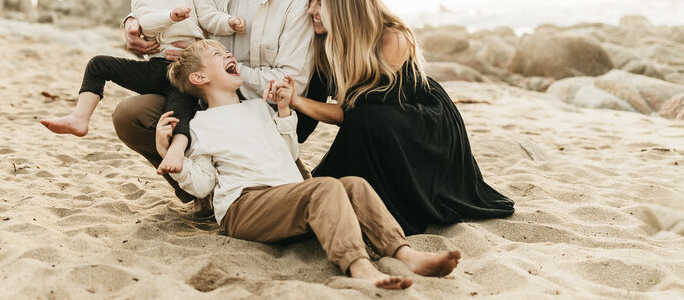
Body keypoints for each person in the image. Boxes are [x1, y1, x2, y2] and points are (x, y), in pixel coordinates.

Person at [158, 39, 461, 290]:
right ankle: (358, 268)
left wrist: (285, 112)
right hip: (245, 206)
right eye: (216, 54)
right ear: (199, 78)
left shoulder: (257, 108)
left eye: (227, 51)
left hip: (285, 197)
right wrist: (171, 157)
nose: (228, 54)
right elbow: (203, 184)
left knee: (354, 184)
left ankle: (404, 253)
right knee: (325, 187)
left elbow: (288, 153)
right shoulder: (200, 125)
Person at [288, 0, 515, 235]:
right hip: (375, 124)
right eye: (311, 0)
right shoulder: (324, 42)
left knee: (366, 120)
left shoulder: (391, 38)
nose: (311, 9)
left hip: (422, 122)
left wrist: (297, 101)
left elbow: (353, 114)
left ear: (344, 6)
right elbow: (307, 118)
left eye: (320, 2)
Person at [112, 0, 314, 200]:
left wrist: (214, 68)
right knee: (130, 115)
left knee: (292, 194)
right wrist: (132, 26)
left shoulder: (295, 1)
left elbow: (289, 81)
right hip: (203, 103)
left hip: (262, 115)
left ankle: (278, 166)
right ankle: (199, 195)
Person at [40, 0, 245, 173]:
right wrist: (170, 16)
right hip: (156, 67)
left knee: (177, 113)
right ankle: (80, 118)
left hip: (188, 70)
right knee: (98, 64)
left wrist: (229, 22)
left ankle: (176, 151)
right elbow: (146, 24)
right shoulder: (141, 0)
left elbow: (210, 16)